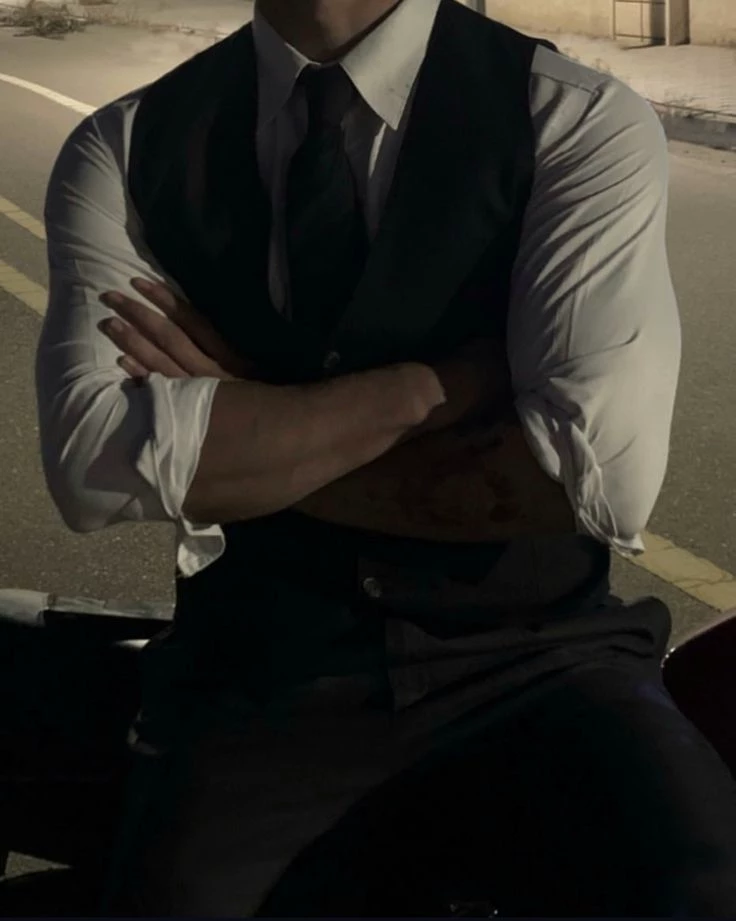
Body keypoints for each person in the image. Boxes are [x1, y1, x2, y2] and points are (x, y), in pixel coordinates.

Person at [36, 0, 736, 916]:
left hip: (542, 665)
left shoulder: (574, 118)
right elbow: (94, 460)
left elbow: (591, 474)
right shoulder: (125, 145)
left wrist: (251, 414)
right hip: (260, 678)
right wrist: (430, 390)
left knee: (704, 886)